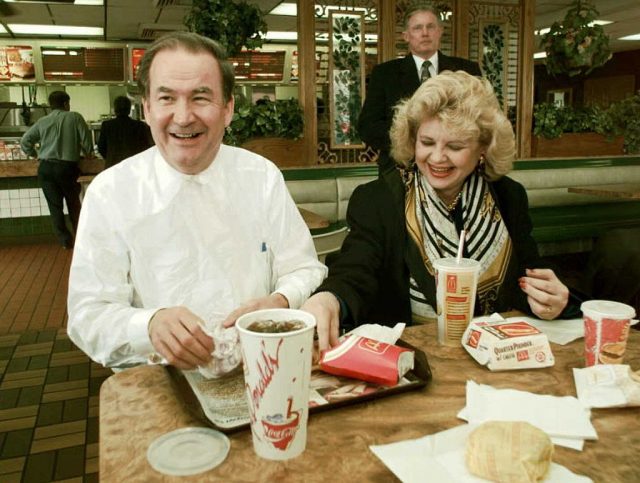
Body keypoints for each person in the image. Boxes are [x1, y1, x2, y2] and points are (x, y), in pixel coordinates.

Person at [67, 32, 327, 369]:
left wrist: (280, 300)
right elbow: (87, 315)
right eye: (167, 98)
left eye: (200, 97)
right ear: (147, 108)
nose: (183, 116)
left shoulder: (261, 176)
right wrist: (149, 325)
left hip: (259, 367)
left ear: (228, 108)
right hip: (160, 379)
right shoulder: (110, 192)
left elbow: (303, 268)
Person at [303, 71, 580, 351]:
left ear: (483, 148)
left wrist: (553, 298)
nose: (437, 158)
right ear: (412, 140)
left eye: (455, 146)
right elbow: (355, 270)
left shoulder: (509, 196)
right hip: (414, 363)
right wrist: (330, 297)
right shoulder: (378, 200)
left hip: (498, 358)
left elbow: (529, 274)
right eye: (427, 142)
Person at [358, 4, 481, 174]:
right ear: (406, 36)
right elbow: (368, 128)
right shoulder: (385, 74)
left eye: (430, 27)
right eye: (417, 28)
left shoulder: (466, 71)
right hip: (400, 170)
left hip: (454, 170)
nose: (425, 33)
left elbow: (481, 119)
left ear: (440, 31)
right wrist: (414, 143)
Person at [20, 90, 94, 249]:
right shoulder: (75, 117)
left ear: (51, 105)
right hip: (67, 168)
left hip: (46, 168)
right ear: (66, 103)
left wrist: (35, 154)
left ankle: (65, 242)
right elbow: (87, 142)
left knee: (55, 207)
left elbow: (25, 141)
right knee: (74, 204)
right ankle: (81, 240)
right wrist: (89, 153)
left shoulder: (42, 121)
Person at [97, 95, 154, 168]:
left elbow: (101, 147)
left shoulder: (107, 125)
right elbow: (147, 147)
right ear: (129, 109)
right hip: (135, 166)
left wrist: (110, 157)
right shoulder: (140, 126)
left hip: (113, 166)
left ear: (115, 109)